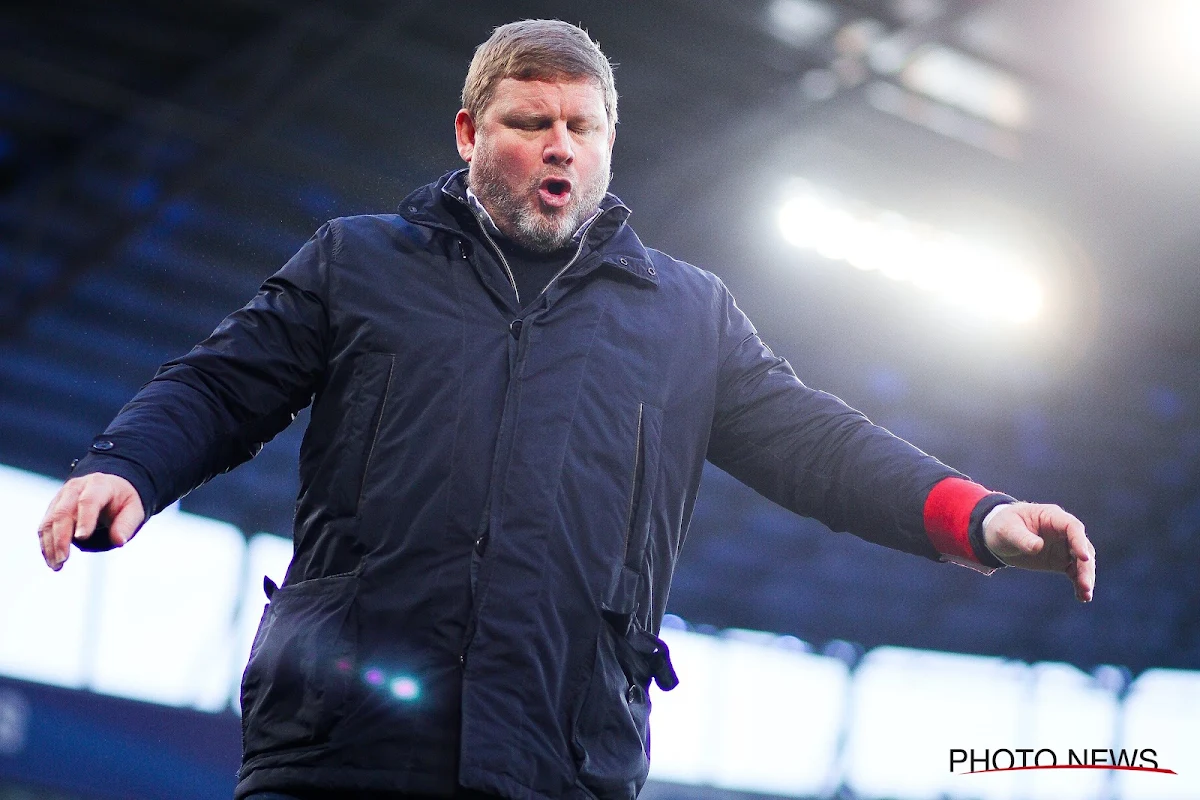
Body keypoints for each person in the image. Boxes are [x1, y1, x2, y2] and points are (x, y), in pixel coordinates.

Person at [36, 19, 1095, 800]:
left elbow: (815, 443)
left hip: (562, 757)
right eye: (529, 121)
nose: (559, 146)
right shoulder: (357, 261)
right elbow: (224, 382)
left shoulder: (688, 315)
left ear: (607, 144)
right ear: (467, 131)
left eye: (581, 126)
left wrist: (979, 516)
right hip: (341, 749)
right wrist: (126, 466)